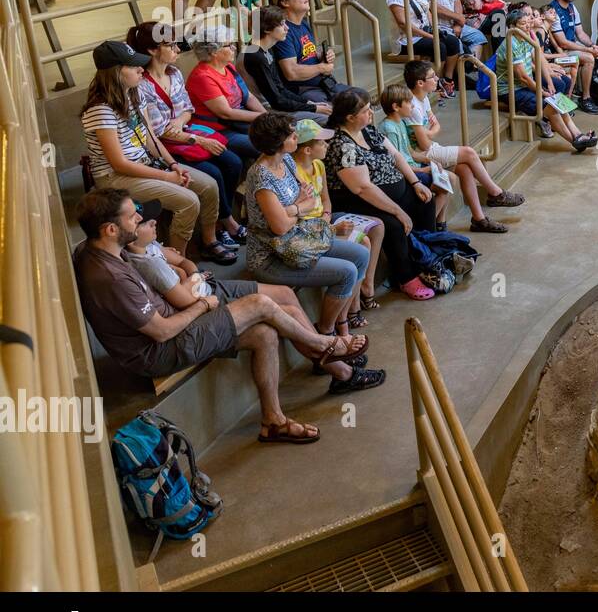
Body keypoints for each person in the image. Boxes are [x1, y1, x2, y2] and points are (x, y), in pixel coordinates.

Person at [73, 188, 381, 444]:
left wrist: (191, 285)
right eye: (132, 216)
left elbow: (173, 265)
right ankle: (323, 346)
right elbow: (162, 332)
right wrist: (202, 306)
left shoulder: (104, 248)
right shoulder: (109, 277)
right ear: (110, 229)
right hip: (160, 349)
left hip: (180, 317)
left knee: (265, 333)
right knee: (260, 303)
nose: (140, 218)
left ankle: (273, 420)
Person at [80, 40, 233, 263]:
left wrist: (173, 165)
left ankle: (210, 241)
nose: (141, 69)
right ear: (116, 72)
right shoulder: (100, 110)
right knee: (189, 201)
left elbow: (151, 139)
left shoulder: (134, 94)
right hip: (116, 177)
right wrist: (167, 176)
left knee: (209, 185)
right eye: (133, 67)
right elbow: (118, 164)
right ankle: (176, 260)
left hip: (145, 164)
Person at [244, 114, 382, 358]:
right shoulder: (261, 177)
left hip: (300, 238)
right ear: (278, 141)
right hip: (271, 256)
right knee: (347, 272)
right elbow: (281, 227)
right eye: (291, 134)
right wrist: (299, 208)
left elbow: (309, 197)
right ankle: (328, 337)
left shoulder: (286, 160)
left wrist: (294, 210)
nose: (295, 136)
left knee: (360, 254)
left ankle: (339, 327)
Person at [132, 21, 246, 250]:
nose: (177, 50)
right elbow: (157, 131)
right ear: (152, 50)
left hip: (185, 134)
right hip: (165, 147)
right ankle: (219, 228)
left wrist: (179, 121)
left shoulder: (174, 73)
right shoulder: (142, 84)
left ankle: (223, 219)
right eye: (170, 45)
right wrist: (196, 138)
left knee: (233, 162)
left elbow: (187, 109)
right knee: (213, 174)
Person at [323, 88, 443, 300]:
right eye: (367, 110)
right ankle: (406, 278)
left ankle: (426, 257)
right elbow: (362, 188)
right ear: (350, 117)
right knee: (393, 224)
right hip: (357, 200)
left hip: (392, 189)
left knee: (424, 200)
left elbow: (396, 156)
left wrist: (415, 183)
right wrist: (398, 211)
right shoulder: (342, 145)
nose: (372, 114)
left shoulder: (367, 130)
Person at [395, 71, 524, 232]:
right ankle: (495, 193)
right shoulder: (413, 106)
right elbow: (424, 143)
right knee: (469, 153)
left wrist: (429, 131)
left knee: (465, 168)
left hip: (430, 147)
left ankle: (479, 220)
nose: (437, 79)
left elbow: (436, 127)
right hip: (425, 152)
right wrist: (430, 132)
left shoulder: (424, 98)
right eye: (432, 77)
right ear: (420, 83)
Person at [293, 118, 384, 316]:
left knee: (377, 226)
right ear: (307, 149)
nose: (326, 145)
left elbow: (326, 199)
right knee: (362, 244)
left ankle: (361, 296)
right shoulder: (295, 173)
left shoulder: (318, 165)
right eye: (321, 142)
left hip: (325, 219)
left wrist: (326, 216)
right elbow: (300, 218)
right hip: (309, 227)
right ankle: (350, 312)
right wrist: (327, 226)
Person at [496, 7, 596, 153]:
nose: (527, 26)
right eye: (523, 24)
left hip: (524, 85)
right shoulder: (510, 44)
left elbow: (539, 59)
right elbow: (523, 78)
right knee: (550, 107)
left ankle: (578, 134)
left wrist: (548, 82)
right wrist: (542, 92)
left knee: (557, 97)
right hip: (512, 90)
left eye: (527, 22)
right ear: (512, 27)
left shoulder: (524, 38)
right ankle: (574, 140)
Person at [241, 4, 331, 123]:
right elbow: (276, 101)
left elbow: (281, 89)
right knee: (328, 120)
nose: (287, 28)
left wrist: (309, 103)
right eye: (282, 24)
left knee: (329, 110)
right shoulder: (254, 56)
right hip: (267, 112)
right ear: (267, 29)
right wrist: (314, 108)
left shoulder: (267, 48)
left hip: (278, 106)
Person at [186, 30, 265, 161]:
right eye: (229, 45)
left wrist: (267, 117)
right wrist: (262, 117)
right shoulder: (202, 77)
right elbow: (226, 113)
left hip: (239, 121)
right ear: (213, 52)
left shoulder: (227, 66)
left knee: (279, 133)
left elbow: (248, 96)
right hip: (221, 129)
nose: (234, 47)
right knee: (266, 145)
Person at [121, 199, 213, 308]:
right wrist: (198, 277)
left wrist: (193, 274)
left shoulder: (149, 244)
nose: (154, 222)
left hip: (200, 286)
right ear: (130, 238)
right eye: (145, 223)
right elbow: (184, 301)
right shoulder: (150, 264)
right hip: (203, 300)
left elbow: (183, 261)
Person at [270, 0, 340, 104]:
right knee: (350, 104)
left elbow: (308, 53)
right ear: (285, 3)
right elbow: (291, 73)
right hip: (303, 90)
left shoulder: (303, 23)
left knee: (359, 97)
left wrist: (323, 55)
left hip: (322, 83)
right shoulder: (283, 32)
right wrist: (322, 68)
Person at [550, 0, 598, 115]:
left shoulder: (571, 8)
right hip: (559, 53)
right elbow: (562, 42)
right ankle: (585, 99)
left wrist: (593, 46)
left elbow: (580, 33)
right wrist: (587, 50)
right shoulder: (553, 11)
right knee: (588, 58)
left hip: (572, 47)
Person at [385, 0, 443, 70]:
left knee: (452, 41)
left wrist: (434, 29)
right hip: (406, 40)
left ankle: (449, 78)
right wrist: (430, 36)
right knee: (440, 46)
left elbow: (427, 11)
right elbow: (403, 24)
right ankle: (437, 81)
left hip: (423, 32)